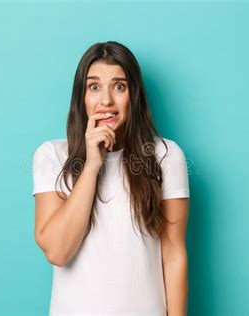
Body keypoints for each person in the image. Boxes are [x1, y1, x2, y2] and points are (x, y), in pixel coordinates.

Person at [32, 41, 190, 316]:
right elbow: (57, 251)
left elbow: (174, 253)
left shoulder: (166, 156)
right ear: (81, 97)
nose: (106, 100)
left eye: (119, 86)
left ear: (134, 95)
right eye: (94, 86)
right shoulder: (51, 155)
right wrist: (93, 164)